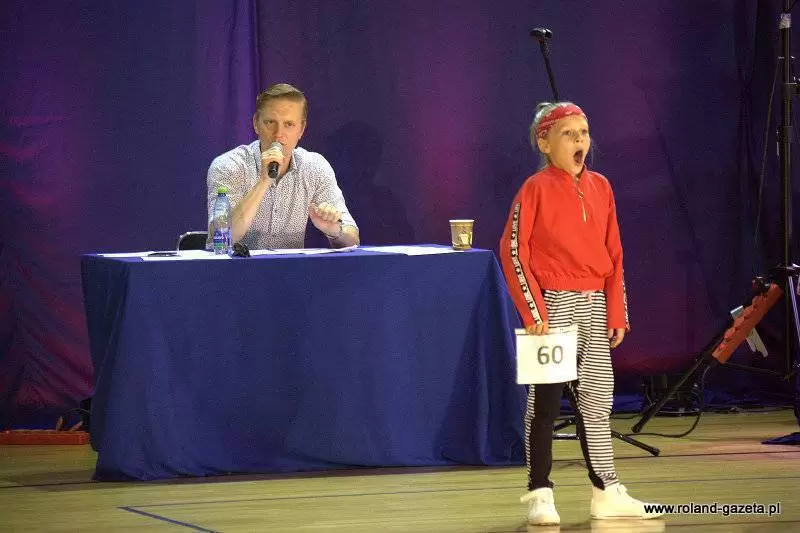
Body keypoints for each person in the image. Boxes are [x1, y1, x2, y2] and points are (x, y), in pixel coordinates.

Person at [499, 102, 663, 525]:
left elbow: (615, 253)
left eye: (584, 133)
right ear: (544, 143)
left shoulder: (601, 187)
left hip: (593, 305)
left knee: (597, 401)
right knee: (545, 403)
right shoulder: (534, 188)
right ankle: (540, 492)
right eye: (568, 133)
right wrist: (534, 311)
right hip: (553, 307)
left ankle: (606, 489)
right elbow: (514, 252)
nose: (579, 141)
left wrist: (616, 312)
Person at [207, 83, 359, 250]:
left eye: (289, 124)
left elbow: (352, 239)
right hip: (237, 266)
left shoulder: (315, 167)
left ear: (301, 129)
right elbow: (220, 238)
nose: (278, 134)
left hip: (291, 267)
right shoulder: (229, 166)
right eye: (270, 122)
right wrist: (263, 182)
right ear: (256, 123)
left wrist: (335, 231)